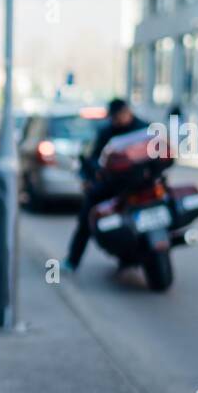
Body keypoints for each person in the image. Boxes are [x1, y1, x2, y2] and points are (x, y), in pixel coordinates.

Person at [62, 97, 146, 272]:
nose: (118, 120)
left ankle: (134, 255)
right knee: (87, 217)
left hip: (141, 183)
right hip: (111, 184)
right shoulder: (107, 132)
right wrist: (94, 173)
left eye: (120, 116)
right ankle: (72, 260)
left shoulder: (144, 129)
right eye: (115, 118)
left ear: (127, 112)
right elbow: (94, 159)